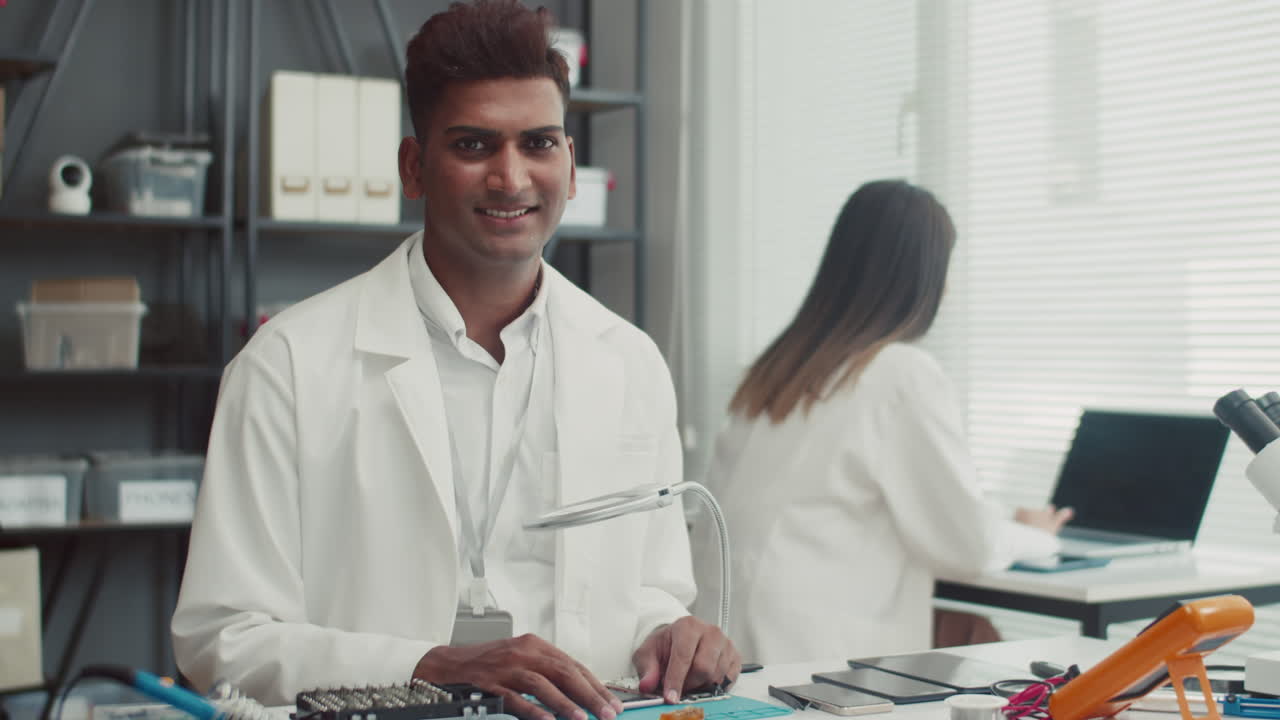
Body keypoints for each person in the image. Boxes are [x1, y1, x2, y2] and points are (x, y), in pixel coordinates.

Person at [172, 2, 738, 715]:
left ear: (568, 161)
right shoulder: (285, 365)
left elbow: (651, 591)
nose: (510, 178)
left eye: (537, 143)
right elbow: (222, 640)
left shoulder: (630, 361)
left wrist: (672, 635)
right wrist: (431, 667)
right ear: (414, 167)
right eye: (473, 146)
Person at [689, 180, 1072, 665]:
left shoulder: (776, 372)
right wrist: (1038, 533)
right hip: (819, 664)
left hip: (736, 650)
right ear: (922, 279)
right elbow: (966, 546)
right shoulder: (898, 373)